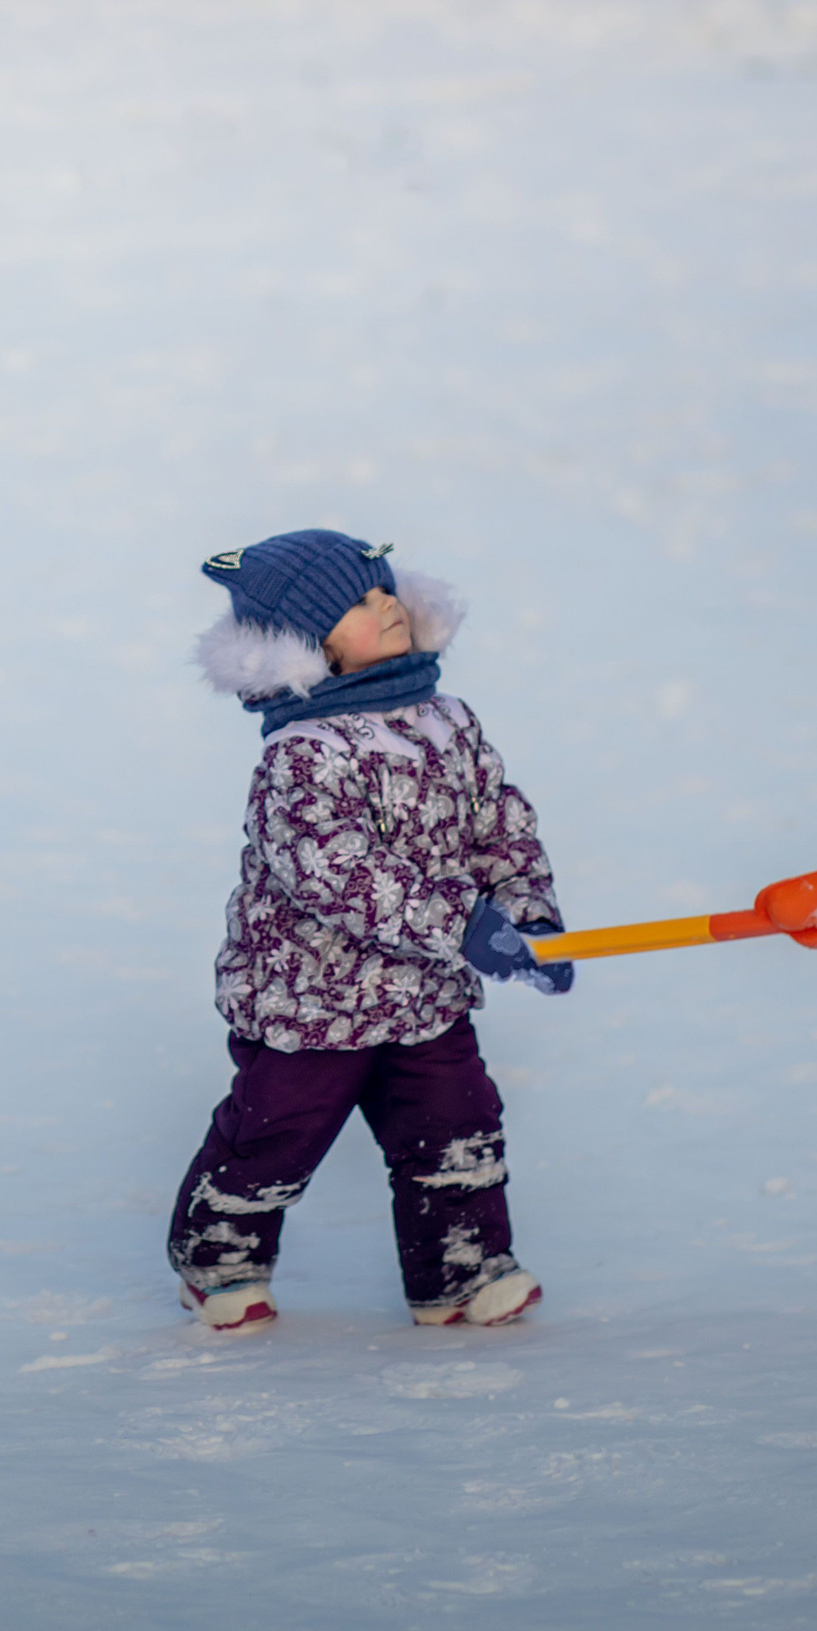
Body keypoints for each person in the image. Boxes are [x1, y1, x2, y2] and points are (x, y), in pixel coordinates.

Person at [169, 528, 571, 1333]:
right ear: (303, 646)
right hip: (309, 1007)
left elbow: (499, 823)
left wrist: (526, 911)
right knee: (272, 1141)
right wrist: (461, 922)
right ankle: (220, 1259)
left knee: (456, 1129)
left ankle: (460, 1270)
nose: (386, 603)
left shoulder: (449, 720)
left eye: (386, 587)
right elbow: (337, 871)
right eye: (357, 600)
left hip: (425, 997)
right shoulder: (302, 754)